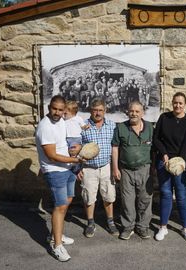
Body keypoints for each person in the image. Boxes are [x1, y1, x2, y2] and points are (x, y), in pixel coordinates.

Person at [35, 95, 84, 262]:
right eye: (54, 109)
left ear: (64, 110)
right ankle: (57, 246)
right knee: (60, 205)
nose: (57, 112)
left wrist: (76, 149)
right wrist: (76, 160)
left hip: (68, 168)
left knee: (68, 200)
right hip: (55, 170)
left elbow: (65, 143)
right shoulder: (45, 127)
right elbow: (52, 156)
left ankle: (56, 234)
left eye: (60, 110)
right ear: (49, 107)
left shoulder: (62, 121)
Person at [152, 92, 186, 242]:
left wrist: (178, 162)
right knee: (165, 192)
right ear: (172, 103)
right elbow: (156, 138)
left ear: (185, 104)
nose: (177, 105)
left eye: (180, 103)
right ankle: (163, 227)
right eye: (175, 102)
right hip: (163, 161)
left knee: (182, 195)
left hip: (181, 163)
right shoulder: (164, 118)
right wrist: (164, 154)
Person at [111, 101, 154, 240]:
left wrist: (153, 168)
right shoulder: (121, 128)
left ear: (142, 113)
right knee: (127, 200)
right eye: (131, 111)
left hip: (145, 169)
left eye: (137, 111)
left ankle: (142, 227)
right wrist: (115, 168)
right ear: (127, 112)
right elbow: (115, 147)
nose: (134, 114)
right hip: (126, 170)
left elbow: (154, 148)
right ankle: (128, 227)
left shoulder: (149, 127)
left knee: (145, 199)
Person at [80, 98, 118, 237]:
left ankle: (110, 221)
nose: (97, 113)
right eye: (95, 110)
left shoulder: (112, 126)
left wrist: (115, 168)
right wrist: (77, 167)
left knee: (109, 195)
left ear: (105, 111)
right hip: (88, 167)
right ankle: (90, 222)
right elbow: (75, 147)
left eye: (100, 110)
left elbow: (116, 147)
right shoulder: (83, 126)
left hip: (106, 166)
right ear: (90, 111)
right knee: (88, 196)